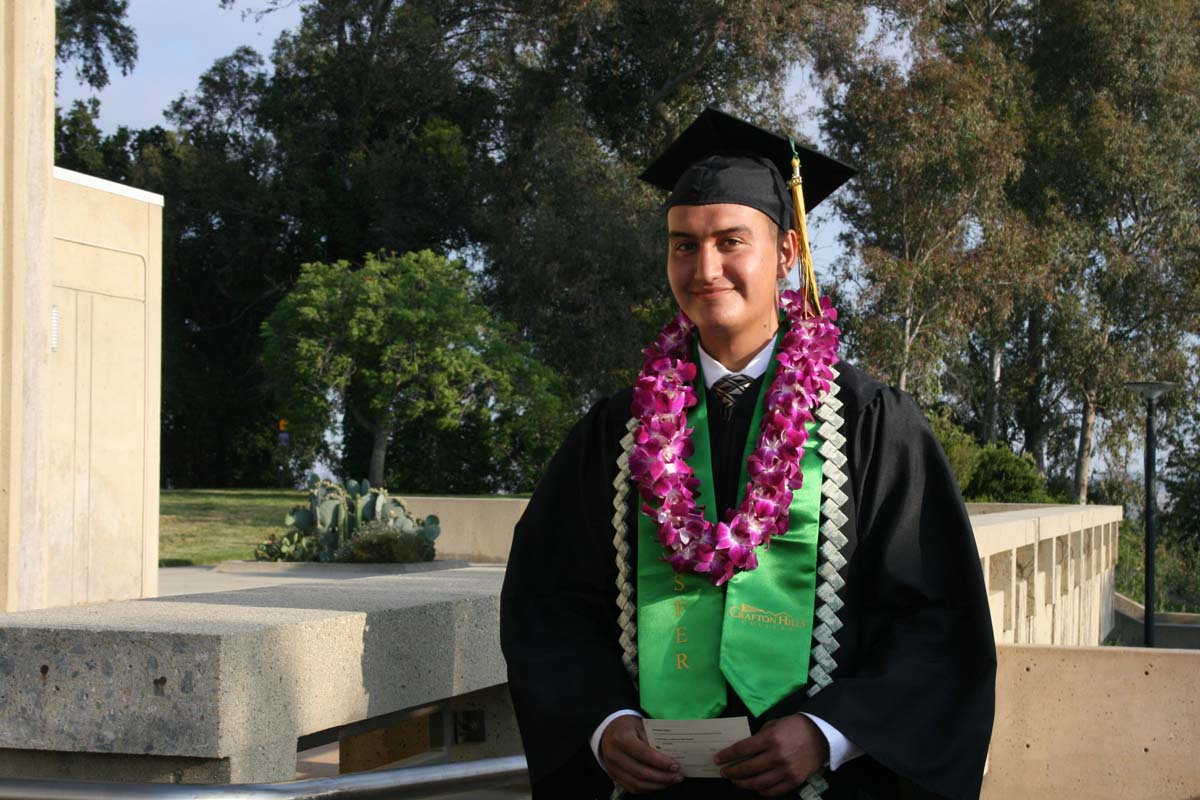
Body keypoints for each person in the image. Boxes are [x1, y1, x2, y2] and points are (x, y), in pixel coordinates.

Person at [500, 107, 996, 800]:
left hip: (820, 784)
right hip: (658, 786)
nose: (705, 268)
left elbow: (938, 619)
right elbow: (549, 603)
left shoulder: (868, 424)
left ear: (787, 254)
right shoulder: (615, 434)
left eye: (731, 241)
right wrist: (602, 723)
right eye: (682, 245)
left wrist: (830, 732)